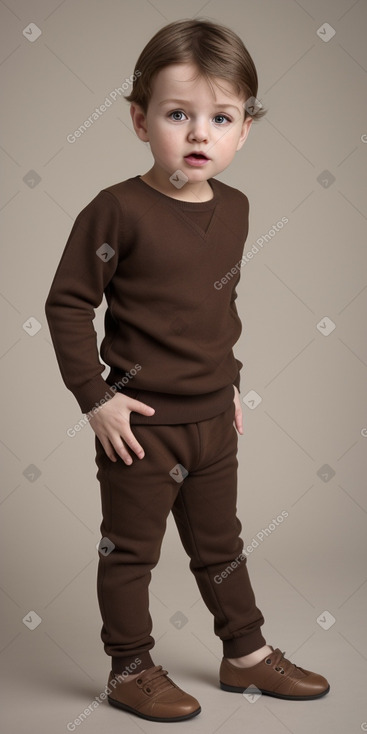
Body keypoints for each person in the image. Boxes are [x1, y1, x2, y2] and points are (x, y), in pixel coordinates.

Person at [45, 18, 330, 724]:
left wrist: (228, 383)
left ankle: (245, 654)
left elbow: (212, 311)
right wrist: (95, 399)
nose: (199, 135)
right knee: (130, 552)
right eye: (179, 115)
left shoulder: (234, 209)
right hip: (138, 426)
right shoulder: (116, 210)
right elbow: (66, 305)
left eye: (219, 118)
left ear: (243, 130)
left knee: (222, 546)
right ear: (140, 121)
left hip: (211, 420)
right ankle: (130, 667)